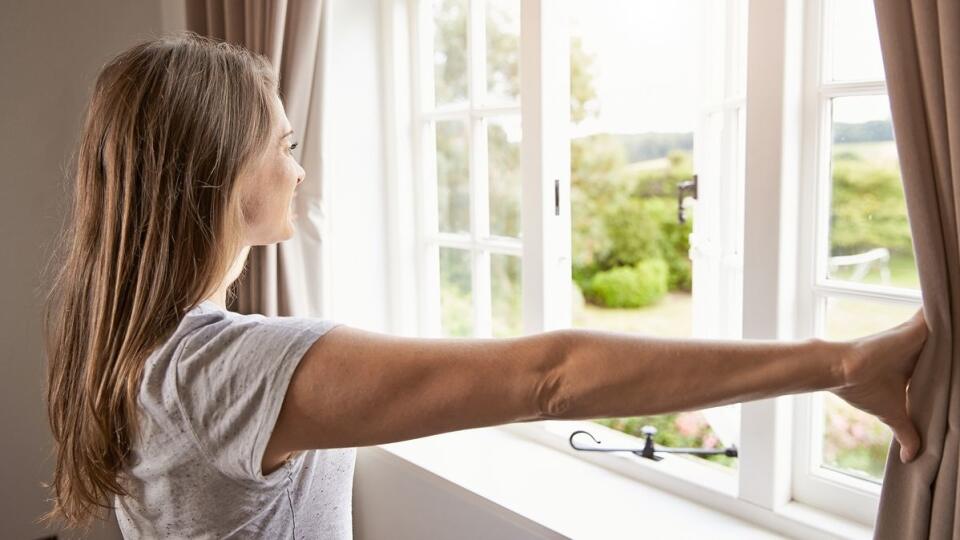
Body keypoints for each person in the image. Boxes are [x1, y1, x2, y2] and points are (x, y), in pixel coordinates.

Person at [43, 32, 928, 539]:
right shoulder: (223, 368)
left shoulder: (138, 338)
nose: (299, 169)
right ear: (226, 172)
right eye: (284, 145)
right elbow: (550, 376)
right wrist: (842, 361)